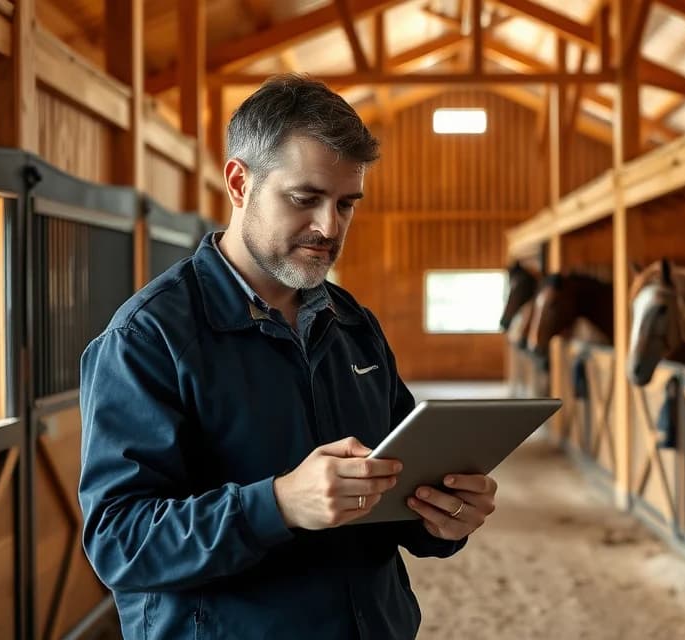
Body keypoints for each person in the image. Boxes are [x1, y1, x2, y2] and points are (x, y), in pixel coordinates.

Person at [77, 74, 498, 639]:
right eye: (305, 199)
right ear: (238, 183)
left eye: (346, 204)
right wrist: (276, 505)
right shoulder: (148, 338)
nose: (329, 226)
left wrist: (444, 520)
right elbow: (118, 541)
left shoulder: (354, 325)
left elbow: (399, 485)